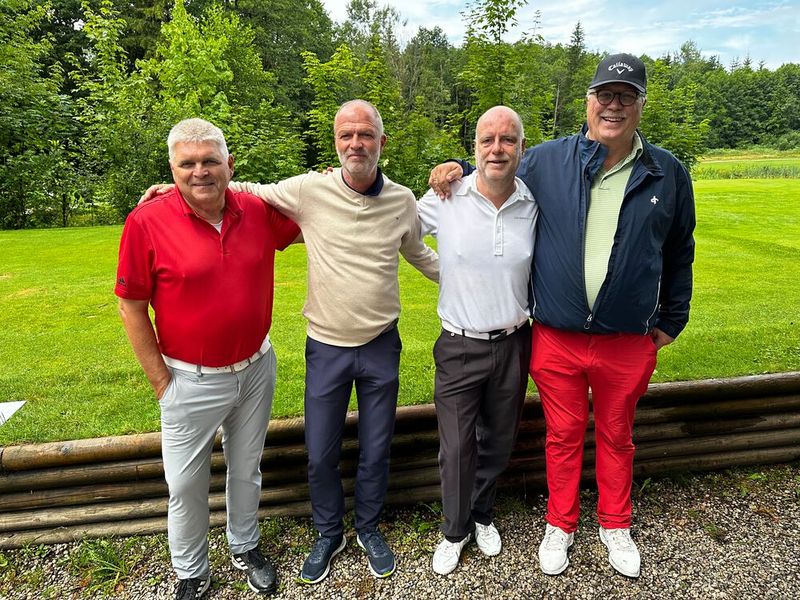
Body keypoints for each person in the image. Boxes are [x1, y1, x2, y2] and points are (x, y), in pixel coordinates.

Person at [143, 100, 439, 582]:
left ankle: (367, 527)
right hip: (326, 345)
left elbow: (418, 252)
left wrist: (469, 279)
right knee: (320, 452)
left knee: (377, 446)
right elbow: (245, 188)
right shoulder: (308, 190)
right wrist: (178, 188)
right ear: (335, 143)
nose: (355, 143)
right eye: (346, 135)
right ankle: (329, 532)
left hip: (382, 344)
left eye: (365, 134)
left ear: (382, 142)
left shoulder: (402, 201)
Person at [429, 53, 696, 579]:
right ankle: (561, 523)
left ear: (641, 104)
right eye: (605, 94)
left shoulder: (667, 172)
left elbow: (679, 249)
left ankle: (615, 524)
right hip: (557, 336)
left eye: (626, 96)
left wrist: (673, 319)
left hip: (627, 338)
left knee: (617, 434)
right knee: (562, 434)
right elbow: (496, 162)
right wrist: (455, 165)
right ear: (588, 102)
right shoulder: (550, 160)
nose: (614, 105)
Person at [116, 118, 299, 599]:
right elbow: (131, 306)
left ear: (230, 165)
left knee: (247, 467)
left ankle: (244, 545)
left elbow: (324, 214)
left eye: (210, 161)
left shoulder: (257, 210)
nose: (200, 171)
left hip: (255, 368)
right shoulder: (146, 221)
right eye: (188, 164)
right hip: (188, 378)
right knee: (185, 485)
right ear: (172, 170)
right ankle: (192, 571)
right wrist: (162, 383)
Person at [416, 106, 537, 575]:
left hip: (514, 341)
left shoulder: (532, 201)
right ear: (475, 148)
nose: (497, 149)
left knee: (499, 441)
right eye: (487, 140)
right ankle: (454, 530)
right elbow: (395, 224)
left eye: (507, 140)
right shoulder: (446, 197)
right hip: (459, 344)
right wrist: (437, 269)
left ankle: (482, 513)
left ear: (522, 148)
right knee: (457, 446)